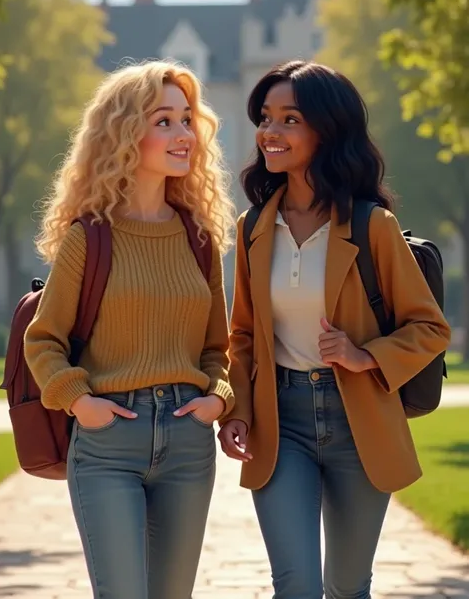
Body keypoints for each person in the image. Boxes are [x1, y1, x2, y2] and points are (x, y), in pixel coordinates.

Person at [218, 60, 450, 599]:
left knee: (348, 587)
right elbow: (245, 337)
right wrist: (238, 412)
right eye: (265, 118)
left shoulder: (373, 226)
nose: (269, 133)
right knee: (295, 585)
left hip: (359, 421)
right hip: (284, 425)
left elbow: (429, 327)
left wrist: (364, 355)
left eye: (289, 119)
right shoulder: (252, 228)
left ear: (326, 129)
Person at [24, 60, 235, 599]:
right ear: (123, 133)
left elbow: (217, 348)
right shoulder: (89, 238)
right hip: (108, 442)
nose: (183, 134)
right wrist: (79, 402)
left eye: (187, 119)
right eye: (163, 120)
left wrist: (218, 396)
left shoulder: (199, 239)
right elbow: (43, 339)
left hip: (189, 443)